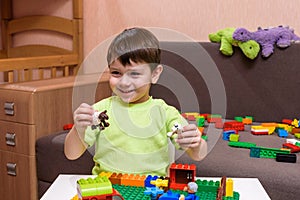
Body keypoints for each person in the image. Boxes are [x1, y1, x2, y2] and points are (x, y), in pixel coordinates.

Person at [64, 27, 207, 176]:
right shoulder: (100, 111)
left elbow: (198, 155)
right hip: (108, 187)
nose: (124, 83)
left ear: (154, 74)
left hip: (152, 189)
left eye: (135, 74)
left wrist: (195, 143)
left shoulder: (164, 112)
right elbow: (71, 154)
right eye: (116, 73)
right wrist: (78, 129)